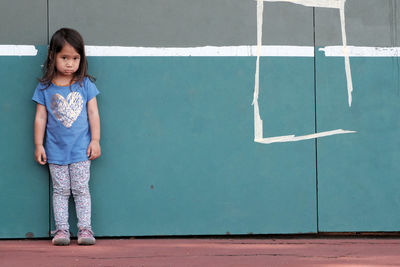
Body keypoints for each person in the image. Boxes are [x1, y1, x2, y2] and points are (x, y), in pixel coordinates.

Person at [33, 28, 101, 246]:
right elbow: (40, 118)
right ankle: (62, 230)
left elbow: (93, 113)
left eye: (75, 58)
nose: (70, 63)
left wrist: (95, 140)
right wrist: (38, 145)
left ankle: (85, 229)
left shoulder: (85, 85)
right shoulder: (45, 87)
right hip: (55, 150)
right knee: (61, 191)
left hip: (81, 150)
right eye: (65, 57)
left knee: (81, 190)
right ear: (53, 56)